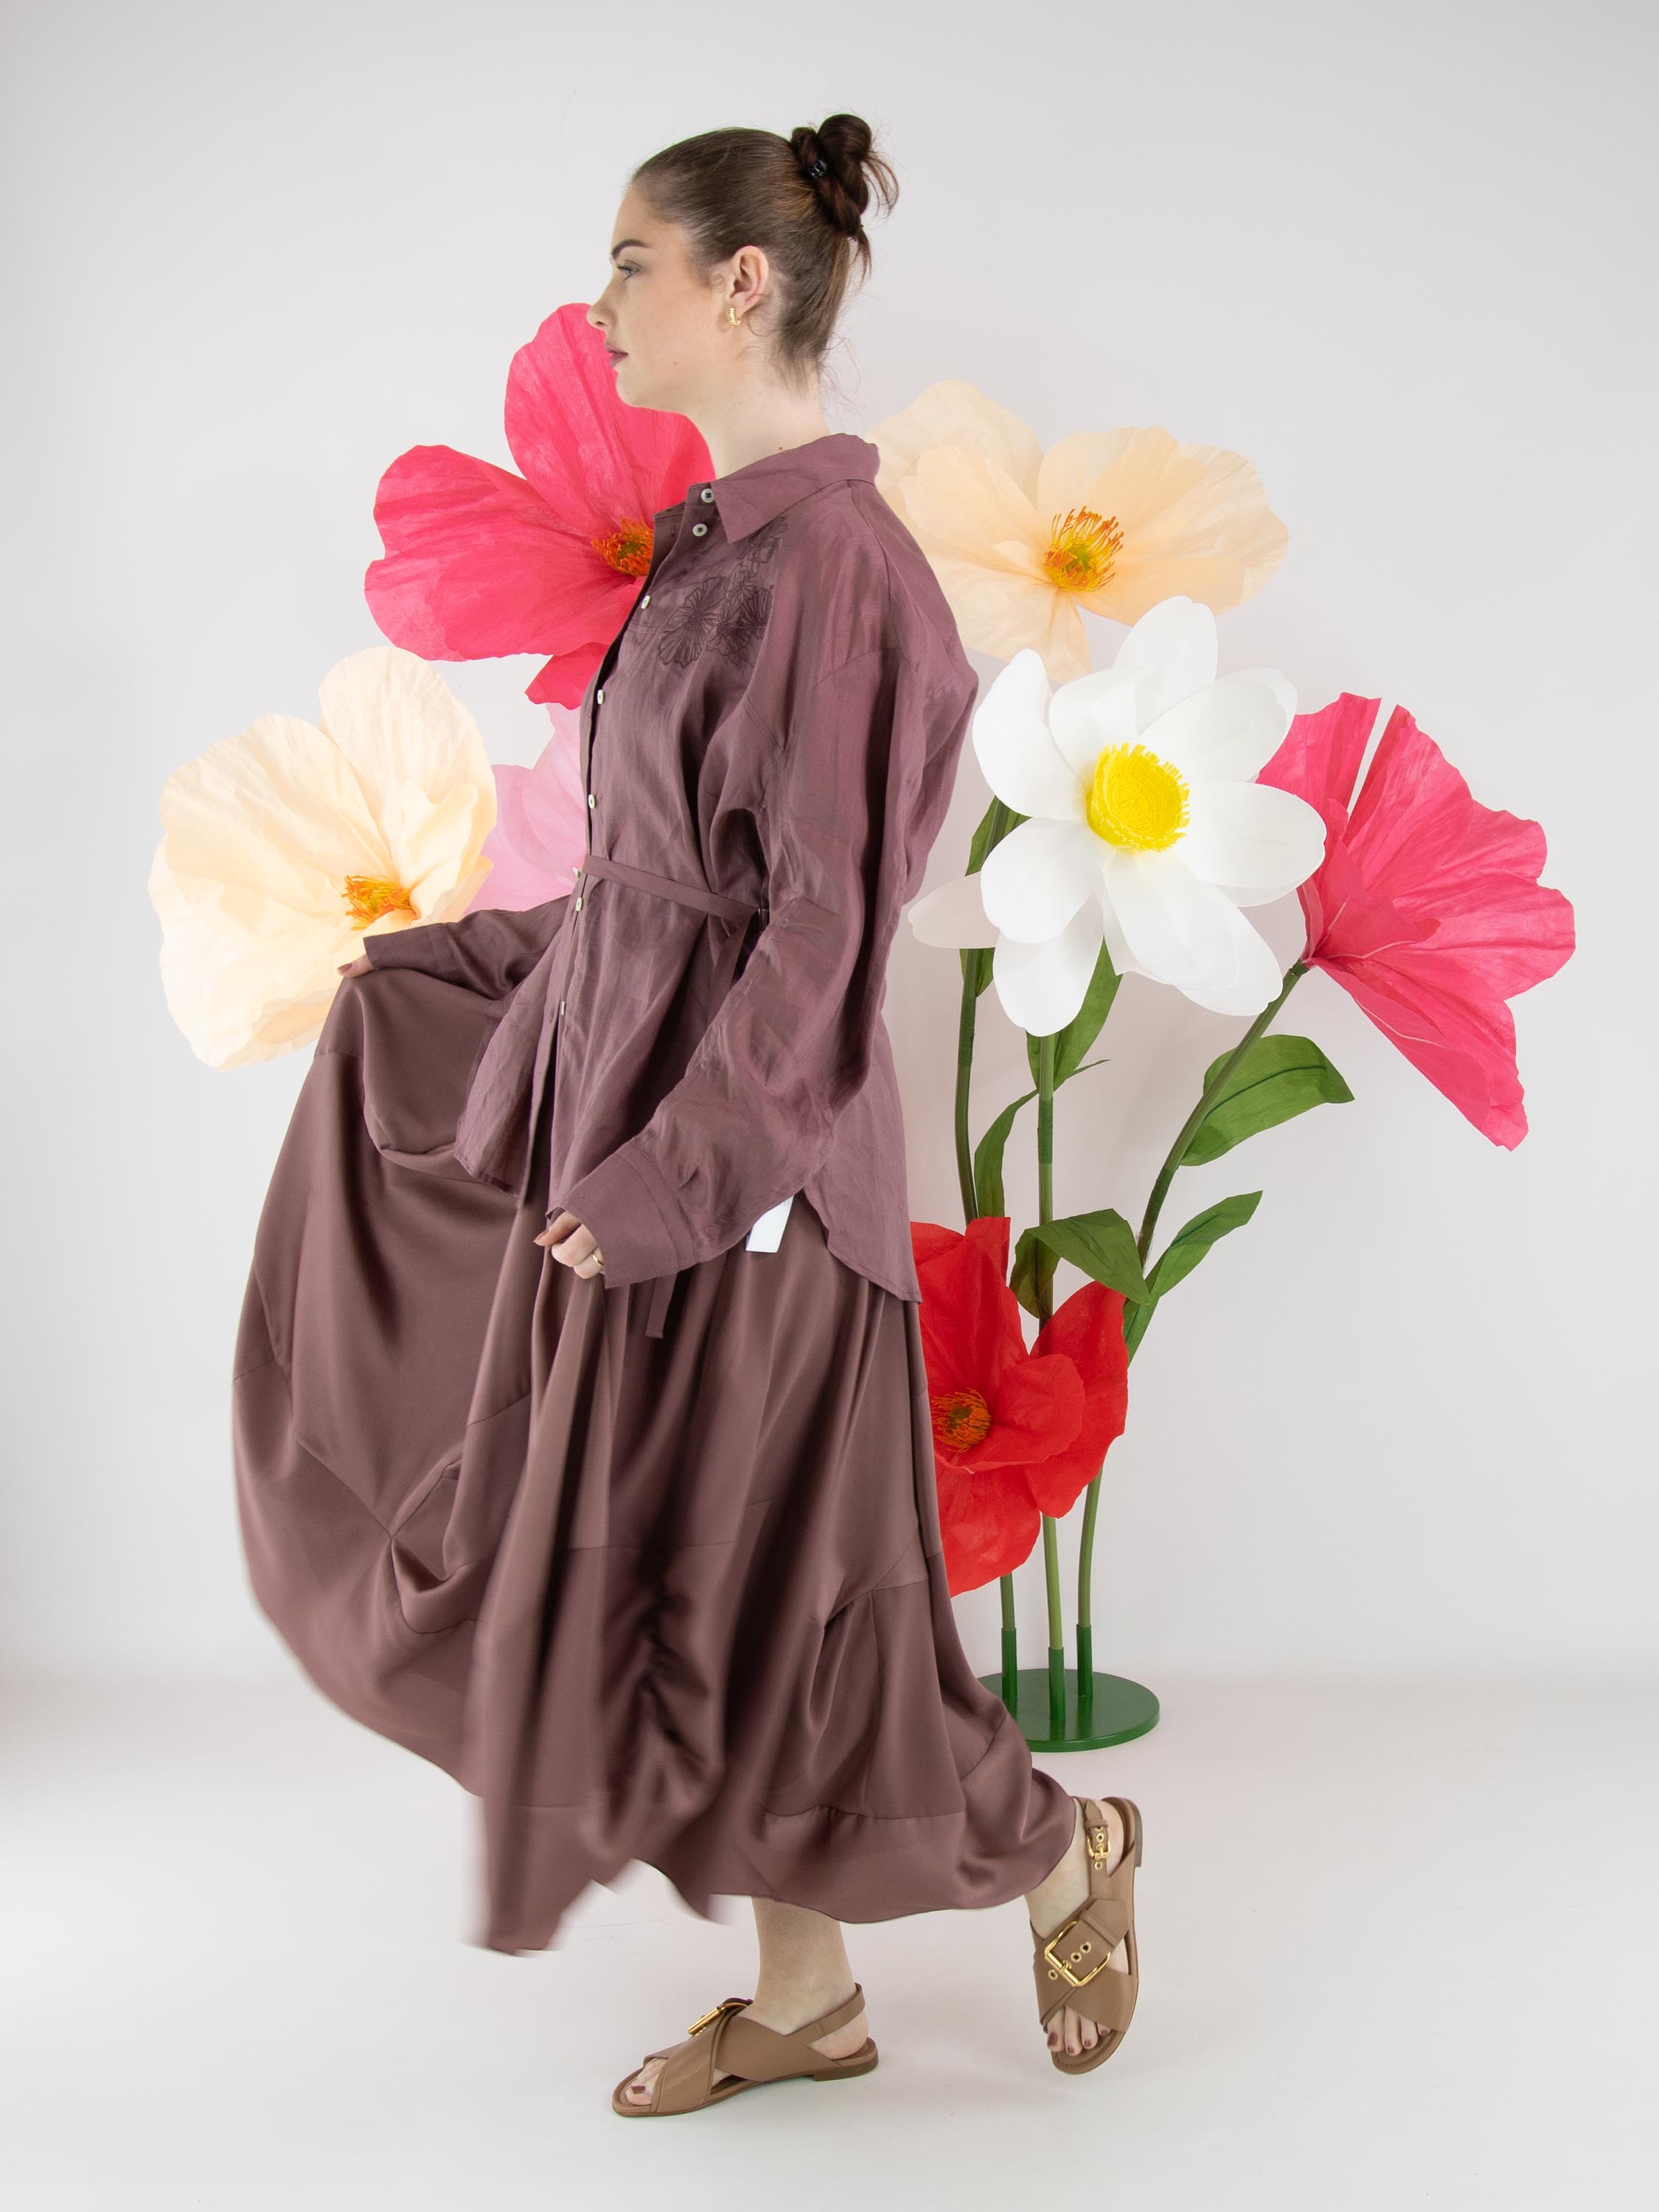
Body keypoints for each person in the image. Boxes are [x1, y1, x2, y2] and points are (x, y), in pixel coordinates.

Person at [247, 112, 1142, 2121]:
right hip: (662, 1152)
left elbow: (818, 940)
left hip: (756, 1196)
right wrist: (458, 970)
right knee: (700, 1608)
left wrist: (673, 1181)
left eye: (629, 264)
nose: (599, 306)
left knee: (786, 1629)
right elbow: (656, 889)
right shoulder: (725, 548)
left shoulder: (838, 574)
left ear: (741, 284)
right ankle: (810, 2004)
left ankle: (1065, 1848)